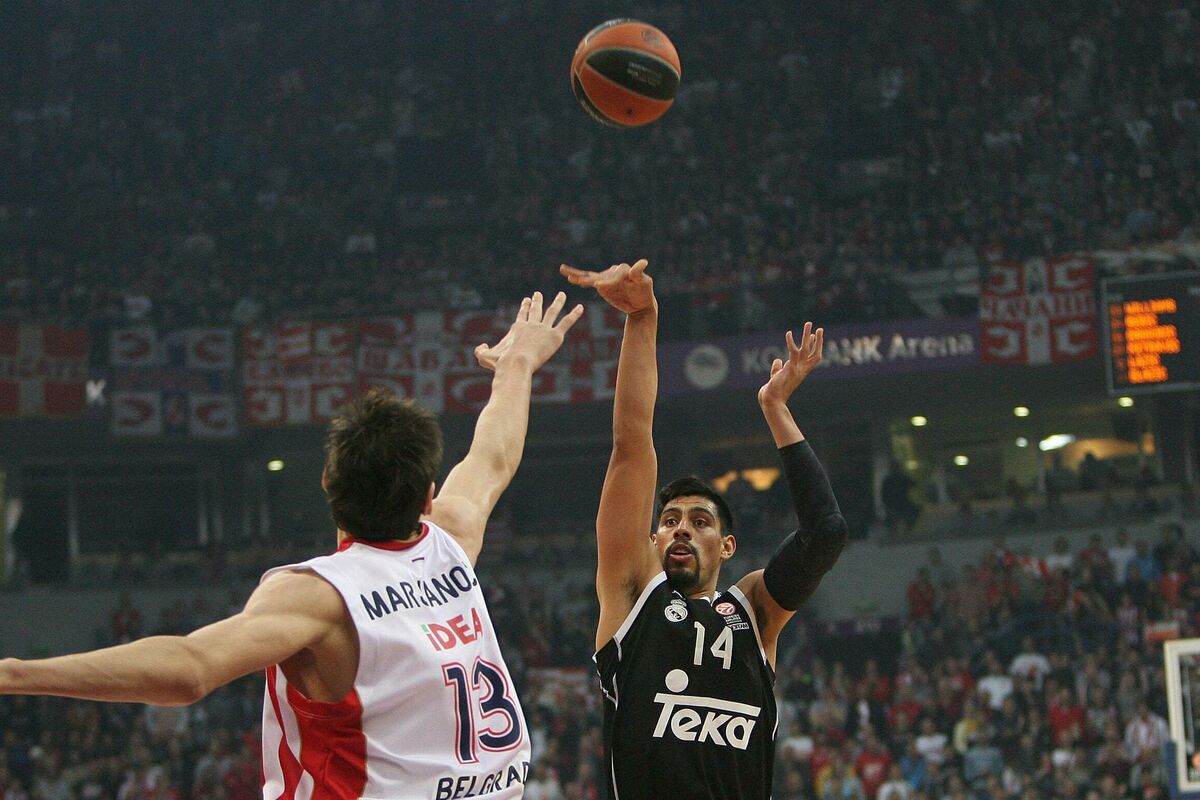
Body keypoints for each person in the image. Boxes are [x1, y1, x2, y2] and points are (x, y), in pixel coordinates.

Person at [0, 291, 584, 799]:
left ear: (327, 481)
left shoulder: (320, 598)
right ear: (428, 497)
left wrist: (16, 674)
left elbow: (190, 669)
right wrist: (517, 364)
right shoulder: (452, 539)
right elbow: (493, 455)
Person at [560, 259, 848, 799]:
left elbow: (825, 532)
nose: (681, 531)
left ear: (727, 545)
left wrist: (775, 406)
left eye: (699, 522)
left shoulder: (753, 613)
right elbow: (631, 447)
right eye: (669, 521)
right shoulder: (632, 596)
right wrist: (642, 318)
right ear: (653, 541)